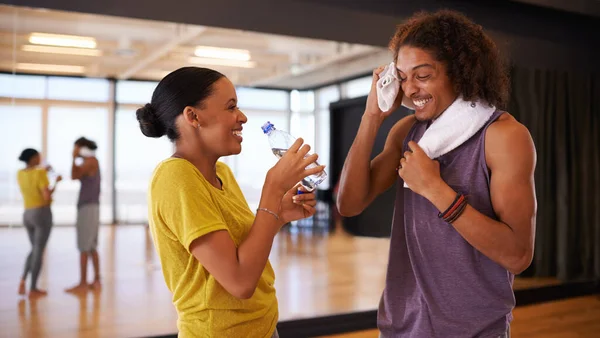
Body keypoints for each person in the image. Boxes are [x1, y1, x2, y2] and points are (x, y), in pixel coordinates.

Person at [337, 10, 537, 338]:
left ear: (458, 73)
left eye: (423, 75)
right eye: (401, 76)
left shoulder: (503, 136)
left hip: (473, 329)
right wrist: (372, 116)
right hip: (401, 325)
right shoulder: (406, 132)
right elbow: (349, 204)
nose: (410, 88)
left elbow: (517, 255)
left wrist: (434, 188)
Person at [137, 66, 324, 337]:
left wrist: (279, 214)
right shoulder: (174, 177)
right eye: (231, 107)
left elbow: (244, 251)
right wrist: (273, 188)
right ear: (193, 116)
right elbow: (240, 282)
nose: (242, 117)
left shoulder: (221, 173)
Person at [16, 148, 62, 297]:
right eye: (38, 156)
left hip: (27, 214)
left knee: (35, 248)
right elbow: (46, 196)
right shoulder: (40, 173)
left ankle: (23, 280)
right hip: (41, 213)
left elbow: (32, 178)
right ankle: (33, 288)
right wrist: (56, 183)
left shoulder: (20, 174)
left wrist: (43, 171)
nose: (40, 158)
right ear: (33, 158)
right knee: (38, 251)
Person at [65, 137, 102, 293]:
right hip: (91, 207)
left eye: (77, 149)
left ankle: (83, 283)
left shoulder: (90, 162)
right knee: (92, 246)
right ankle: (96, 280)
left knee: (84, 247)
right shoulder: (93, 161)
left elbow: (74, 176)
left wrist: (73, 158)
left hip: (87, 208)